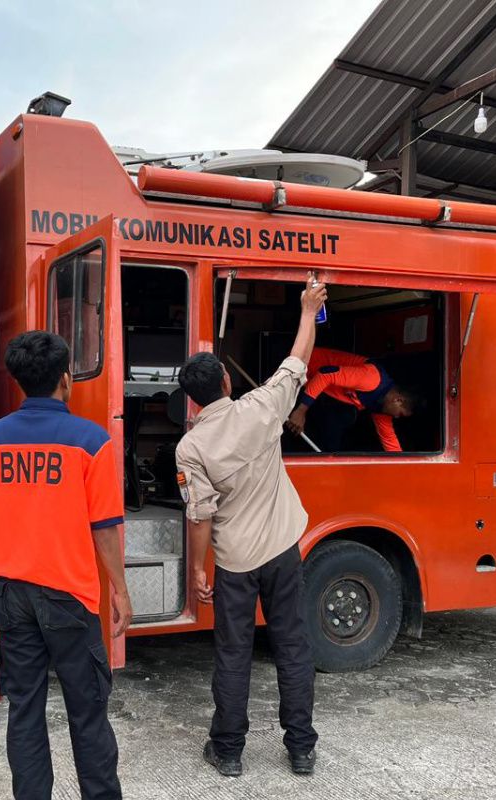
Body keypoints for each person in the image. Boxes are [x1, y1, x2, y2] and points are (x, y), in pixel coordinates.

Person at [173, 276, 327, 779]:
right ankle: (301, 748)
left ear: (192, 401)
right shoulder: (262, 408)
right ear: (225, 383)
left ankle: (229, 751)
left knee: (233, 655)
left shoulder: (190, 448)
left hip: (235, 564)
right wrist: (307, 310)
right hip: (284, 551)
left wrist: (199, 569)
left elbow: (200, 515)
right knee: (292, 645)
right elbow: (297, 362)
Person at [0, 330, 133, 800]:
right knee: (87, 712)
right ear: (66, 379)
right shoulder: (92, 441)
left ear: (21, 381)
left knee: (24, 709)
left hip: (10, 594)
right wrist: (120, 591)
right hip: (69, 599)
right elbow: (104, 529)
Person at [285, 347, 417, 452]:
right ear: (398, 400)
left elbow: (391, 443)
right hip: (299, 365)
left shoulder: (380, 406)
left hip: (313, 389)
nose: (397, 417)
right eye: (400, 413)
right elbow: (326, 373)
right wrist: (301, 411)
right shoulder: (372, 379)